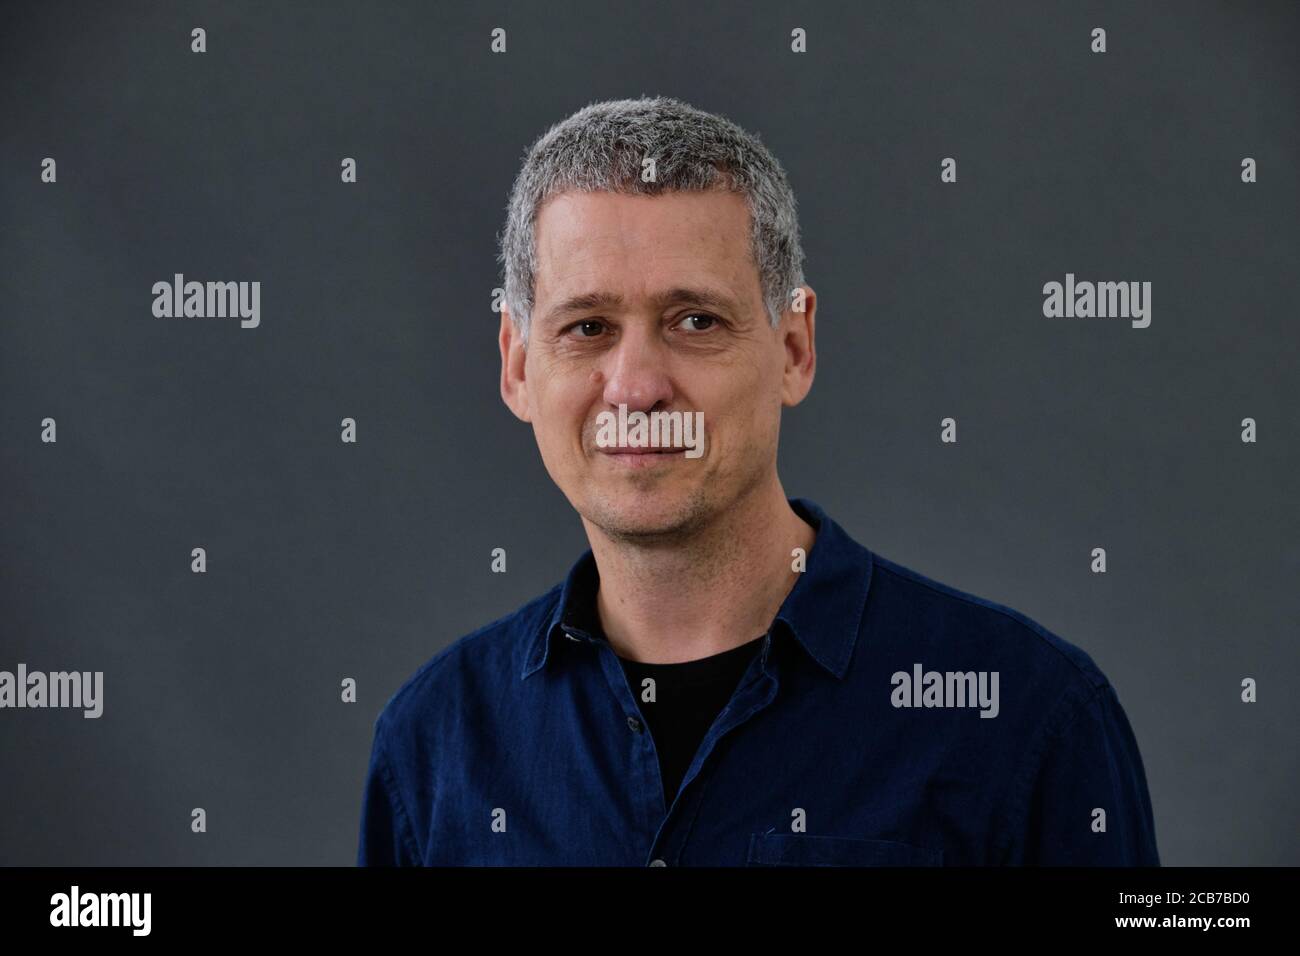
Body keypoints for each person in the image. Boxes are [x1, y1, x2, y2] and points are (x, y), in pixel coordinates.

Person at [357, 96, 1159, 866]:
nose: (635, 387)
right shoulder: (433, 744)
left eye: (695, 321)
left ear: (794, 349)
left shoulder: (1026, 715)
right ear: (519, 366)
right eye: (588, 327)